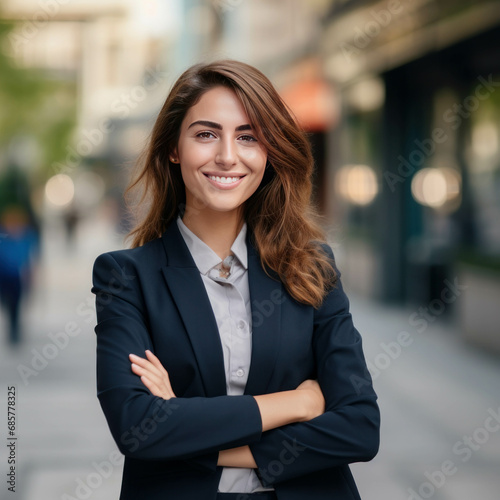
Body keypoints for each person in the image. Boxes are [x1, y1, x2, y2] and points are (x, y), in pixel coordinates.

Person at [91, 60, 379, 500]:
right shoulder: (126, 277)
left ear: (268, 152)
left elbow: (359, 428)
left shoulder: (312, 267)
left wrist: (188, 427)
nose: (228, 155)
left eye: (248, 137)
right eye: (206, 134)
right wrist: (296, 404)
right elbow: (137, 428)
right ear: (174, 148)